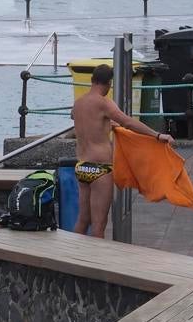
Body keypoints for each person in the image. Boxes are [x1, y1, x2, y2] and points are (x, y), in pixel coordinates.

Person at [71, 64, 172, 238]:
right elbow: (129, 122)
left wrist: (107, 124)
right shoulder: (103, 103)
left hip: (81, 167)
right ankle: (96, 264)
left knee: (82, 220)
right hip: (100, 169)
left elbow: (83, 121)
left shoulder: (78, 104)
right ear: (109, 83)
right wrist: (157, 135)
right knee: (99, 225)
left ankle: (70, 260)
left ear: (92, 80)